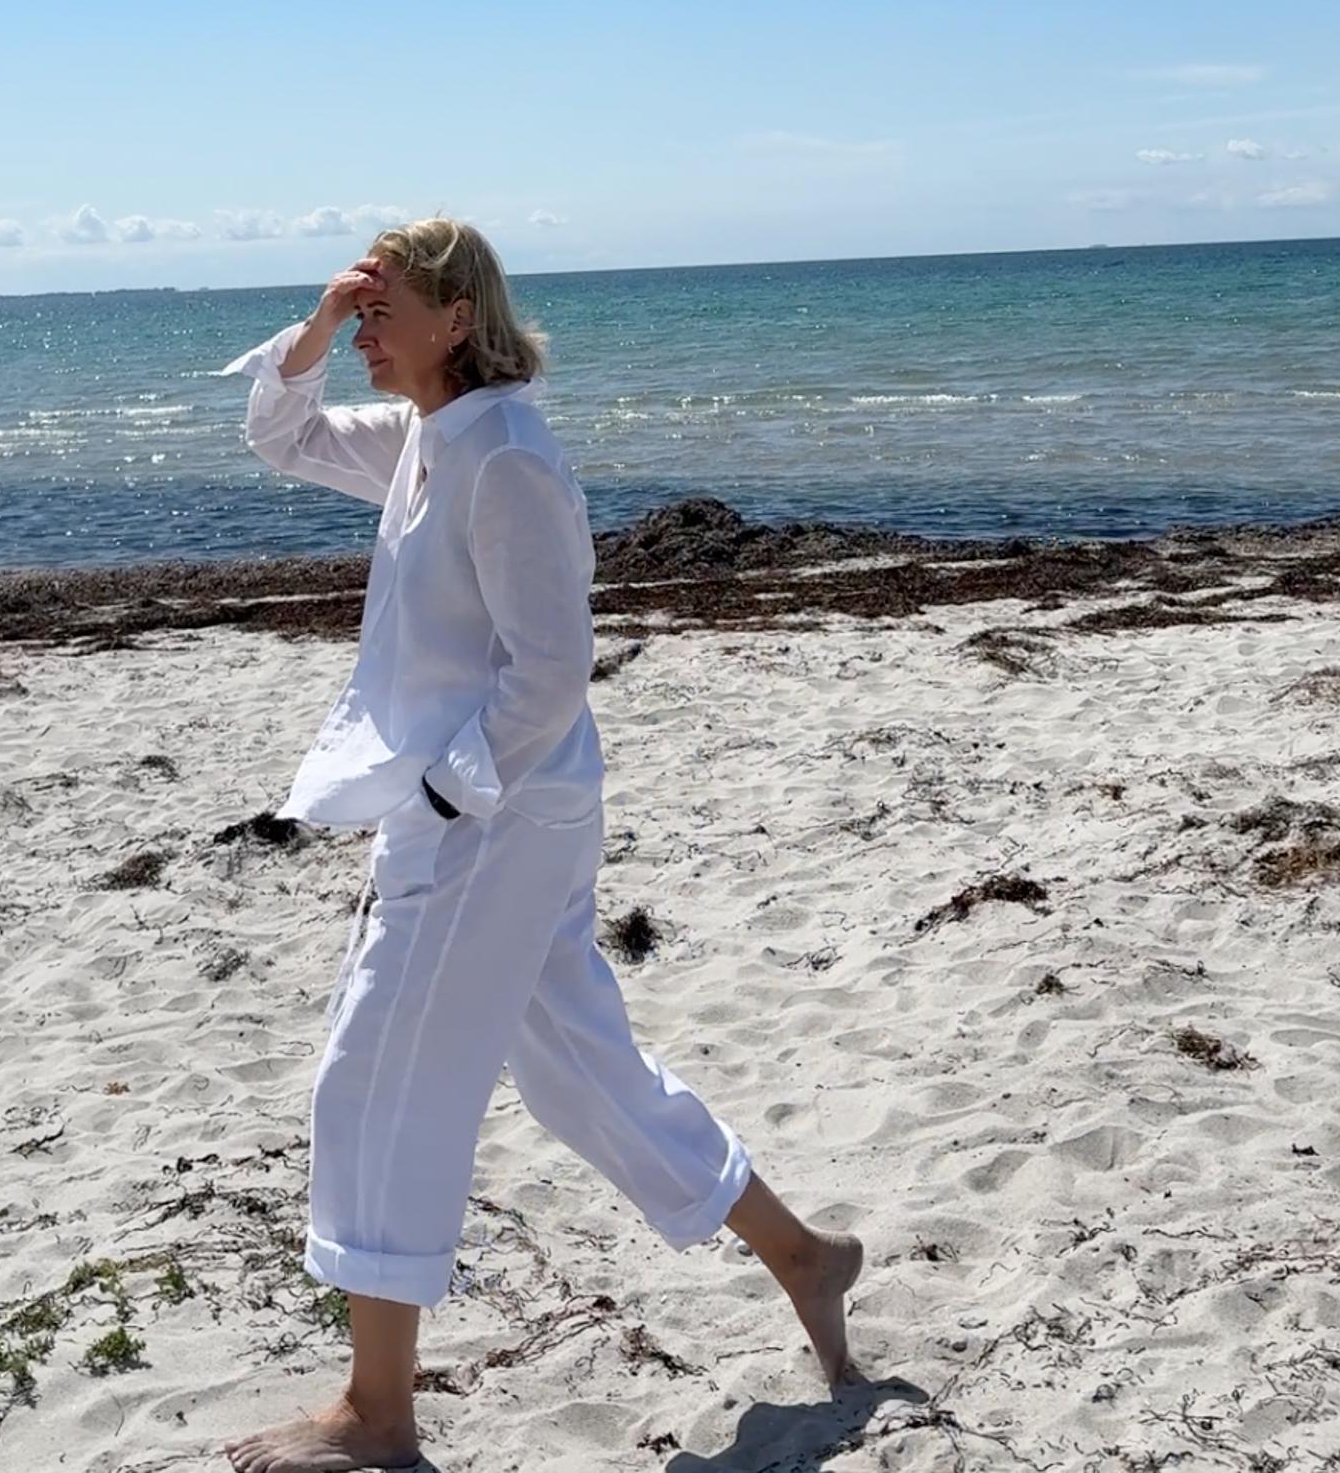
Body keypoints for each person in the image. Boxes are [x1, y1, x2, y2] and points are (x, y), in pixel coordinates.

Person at [216, 217, 863, 1473]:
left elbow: (551, 669)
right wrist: (315, 315)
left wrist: (450, 799)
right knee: (582, 1072)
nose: (360, 333)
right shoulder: (424, 440)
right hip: (496, 811)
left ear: (456, 316)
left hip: (492, 818)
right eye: (353, 315)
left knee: (376, 1074)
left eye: (379, 309)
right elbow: (278, 431)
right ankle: (806, 1254)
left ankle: (379, 1416)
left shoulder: (503, 454)